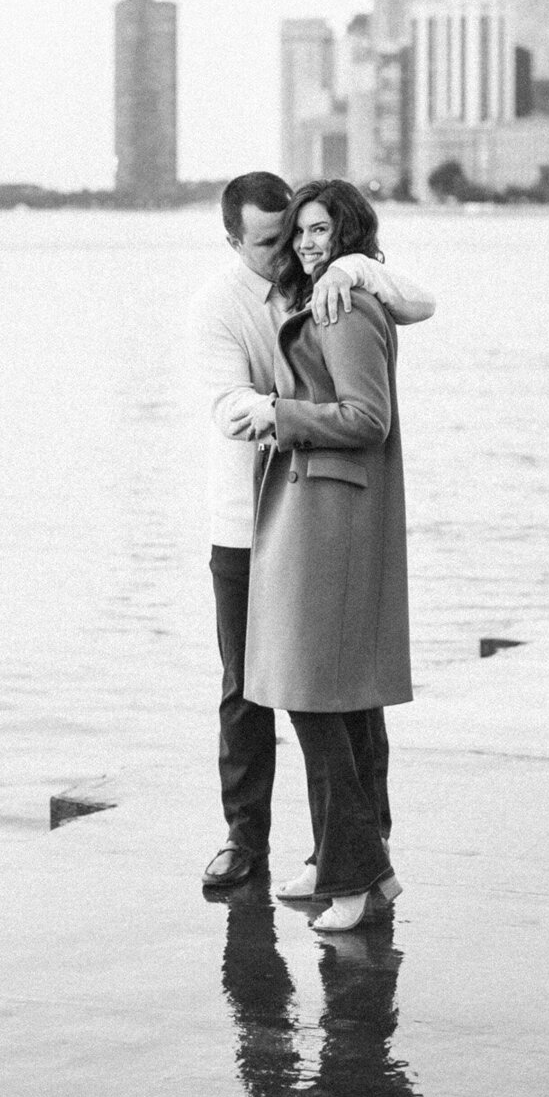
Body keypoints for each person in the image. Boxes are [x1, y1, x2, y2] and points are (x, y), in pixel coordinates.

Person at [190, 172, 434, 890]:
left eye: (297, 232)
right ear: (235, 241)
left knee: (344, 690)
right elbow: (229, 405)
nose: (284, 253)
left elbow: (420, 304)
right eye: (269, 242)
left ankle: (361, 846)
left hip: (313, 516)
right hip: (244, 518)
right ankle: (246, 838)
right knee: (247, 688)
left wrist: (356, 265)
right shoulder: (217, 306)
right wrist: (277, 407)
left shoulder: (333, 284)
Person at [240, 180, 413, 933]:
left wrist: (279, 416)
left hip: (331, 515)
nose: (310, 243)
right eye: (303, 232)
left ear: (349, 234)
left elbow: (366, 417)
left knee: (316, 701)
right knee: (330, 702)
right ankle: (359, 868)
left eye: (323, 231)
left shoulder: (344, 307)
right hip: (317, 508)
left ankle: (357, 875)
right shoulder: (323, 296)